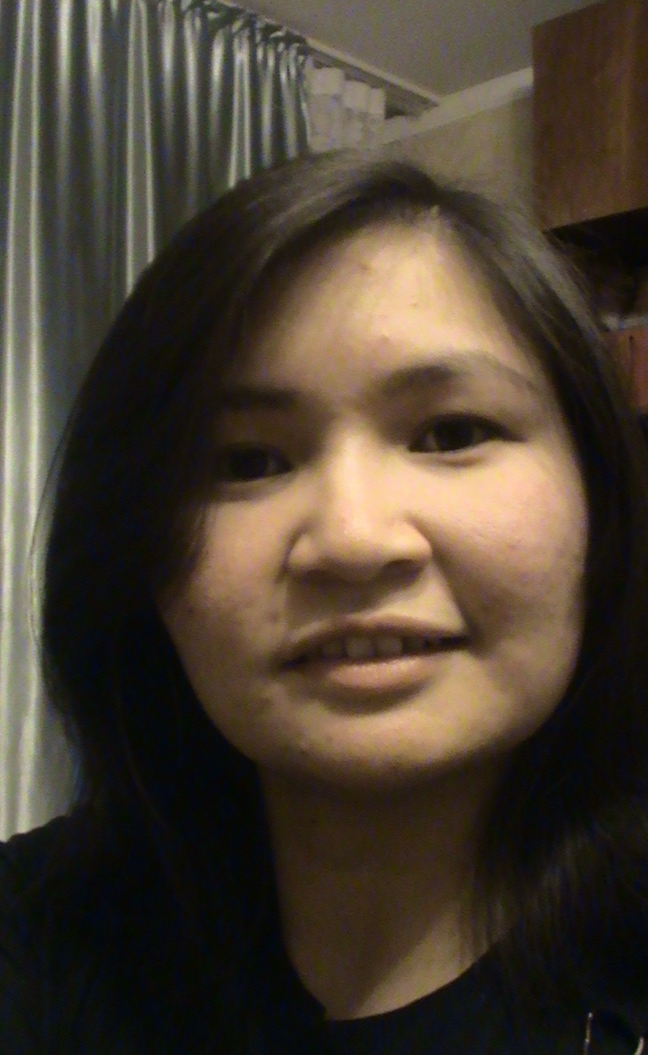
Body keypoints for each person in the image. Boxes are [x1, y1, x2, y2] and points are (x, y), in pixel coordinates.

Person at [2, 150, 648, 1055]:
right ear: (138, 556)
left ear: (600, 505)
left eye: (451, 433)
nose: (352, 540)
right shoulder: (34, 941)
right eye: (248, 462)